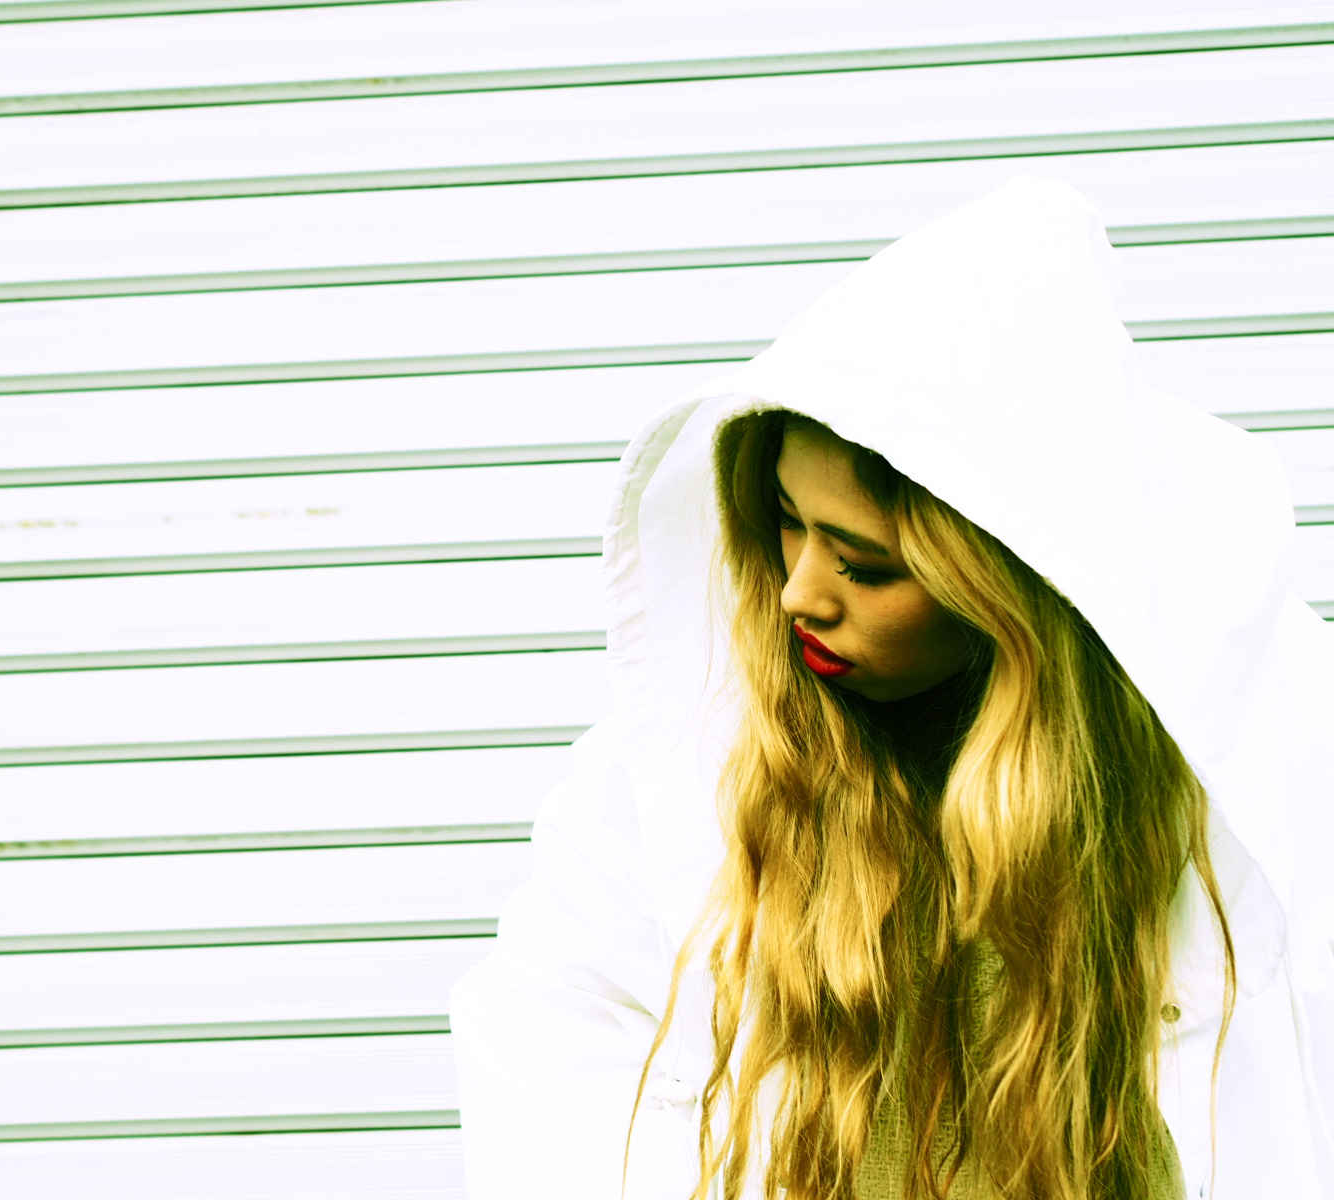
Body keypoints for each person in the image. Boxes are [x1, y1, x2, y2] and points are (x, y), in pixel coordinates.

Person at [449, 178, 1334, 1198]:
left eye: (865, 566)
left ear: (1006, 581)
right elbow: (549, 1062)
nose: (797, 593)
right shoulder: (676, 769)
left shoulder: (1243, 760)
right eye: (785, 520)